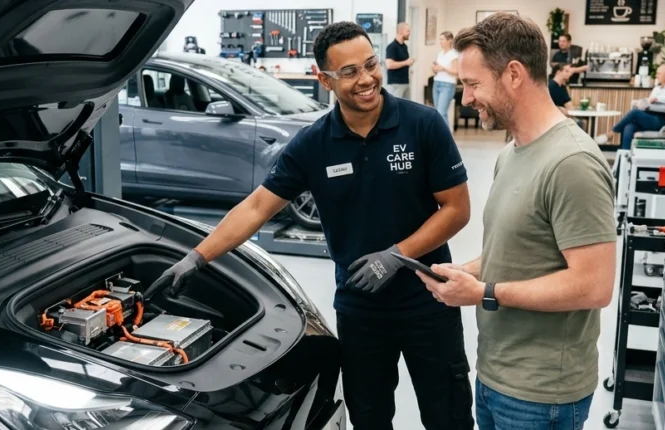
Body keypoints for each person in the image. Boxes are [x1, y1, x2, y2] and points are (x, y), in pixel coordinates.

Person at [148, 21, 474, 430]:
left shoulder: (422, 125)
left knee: (449, 415)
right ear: (324, 79)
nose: (366, 79)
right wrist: (197, 258)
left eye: (370, 65)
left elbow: (457, 209)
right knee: (369, 416)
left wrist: (398, 255)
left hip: (429, 299)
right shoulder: (312, 145)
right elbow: (256, 208)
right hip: (361, 309)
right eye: (349, 72)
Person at [415, 13, 616, 430]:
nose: (466, 98)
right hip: (495, 375)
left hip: (542, 394)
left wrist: (485, 292)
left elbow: (595, 286)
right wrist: (462, 272)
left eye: (473, 84)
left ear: (513, 74)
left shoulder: (572, 163)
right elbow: (519, 252)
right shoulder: (512, 152)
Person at [599, 63, 665, 149]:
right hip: (649, 117)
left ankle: (611, 133)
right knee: (629, 126)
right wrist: (647, 102)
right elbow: (649, 104)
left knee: (634, 113)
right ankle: (623, 158)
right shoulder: (657, 88)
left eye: (659, 73)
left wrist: (655, 105)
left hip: (661, 120)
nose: (656, 76)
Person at [548, 63, 587, 130]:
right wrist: (559, 108)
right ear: (558, 72)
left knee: (582, 122)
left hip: (562, 118)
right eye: (566, 71)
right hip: (552, 120)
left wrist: (576, 109)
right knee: (579, 123)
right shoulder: (550, 86)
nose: (570, 74)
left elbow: (569, 105)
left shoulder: (562, 87)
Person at [431, 31, 459, 125]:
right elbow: (438, 69)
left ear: (449, 40)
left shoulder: (454, 54)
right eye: (440, 39)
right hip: (437, 83)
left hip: (448, 85)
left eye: (442, 39)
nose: (440, 41)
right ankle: (438, 136)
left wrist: (443, 68)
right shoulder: (440, 53)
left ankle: (446, 137)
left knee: (441, 112)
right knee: (436, 112)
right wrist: (435, 69)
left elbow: (456, 72)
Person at [384, 22, 413, 99]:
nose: (409, 33)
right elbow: (389, 65)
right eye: (408, 31)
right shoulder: (392, 47)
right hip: (395, 84)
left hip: (405, 83)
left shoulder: (404, 47)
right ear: (400, 32)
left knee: (407, 108)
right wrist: (406, 62)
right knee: (395, 107)